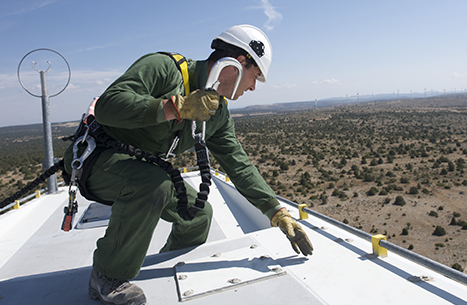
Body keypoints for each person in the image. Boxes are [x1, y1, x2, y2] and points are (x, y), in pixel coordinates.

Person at [64, 24, 313, 305]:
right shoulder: (164, 68)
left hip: (145, 172)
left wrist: (276, 211)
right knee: (151, 184)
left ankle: (162, 264)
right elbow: (109, 106)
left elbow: (238, 164)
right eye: (255, 77)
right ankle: (107, 276)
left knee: (198, 215)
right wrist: (173, 108)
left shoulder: (217, 114)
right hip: (96, 162)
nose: (253, 86)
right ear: (238, 64)